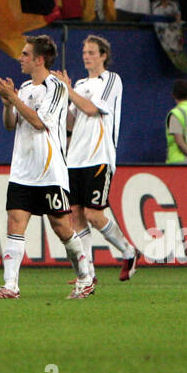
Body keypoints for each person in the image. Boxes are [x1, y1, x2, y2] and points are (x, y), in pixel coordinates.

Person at [0, 36, 95, 299]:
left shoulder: (56, 87)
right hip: (22, 170)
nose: (20, 58)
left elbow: (39, 123)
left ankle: (85, 276)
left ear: (39, 59)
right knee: (15, 223)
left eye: (25, 54)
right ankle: (10, 286)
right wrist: (7, 104)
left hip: (49, 171)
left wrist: (12, 98)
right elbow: (10, 124)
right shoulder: (24, 88)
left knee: (62, 227)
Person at [58, 34, 138, 284]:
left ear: (104, 55)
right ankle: (88, 273)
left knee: (94, 214)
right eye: (84, 53)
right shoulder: (80, 84)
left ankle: (129, 251)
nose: (87, 56)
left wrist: (68, 91)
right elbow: (72, 122)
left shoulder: (111, 80)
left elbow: (92, 109)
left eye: (92, 52)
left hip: (99, 156)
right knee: (76, 215)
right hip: (75, 158)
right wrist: (63, 98)